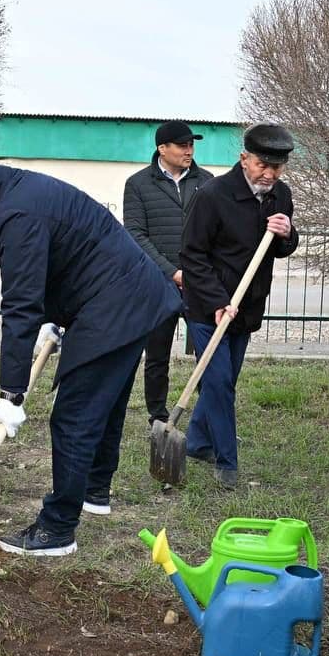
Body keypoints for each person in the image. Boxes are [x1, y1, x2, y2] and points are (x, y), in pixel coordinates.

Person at [0, 147, 181, 556]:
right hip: (132, 295)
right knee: (106, 401)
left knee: (74, 415)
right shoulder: (18, 194)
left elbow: (19, 305)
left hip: (115, 303)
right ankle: (95, 491)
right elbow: (59, 260)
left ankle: (57, 530)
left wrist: (11, 393)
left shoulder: (17, 214)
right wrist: (57, 313)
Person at [179, 124, 299, 488]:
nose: (270, 174)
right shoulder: (213, 195)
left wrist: (287, 233)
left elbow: (284, 249)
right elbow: (192, 255)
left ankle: (197, 443)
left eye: (277, 167)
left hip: (247, 307)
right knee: (219, 384)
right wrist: (216, 300)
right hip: (208, 307)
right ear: (244, 158)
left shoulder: (281, 195)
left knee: (224, 378)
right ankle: (227, 462)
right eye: (263, 165)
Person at [123, 120, 214, 428]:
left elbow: (216, 231)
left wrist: (199, 272)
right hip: (157, 283)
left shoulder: (208, 182)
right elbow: (135, 234)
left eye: (191, 144)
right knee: (157, 354)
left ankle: (206, 417)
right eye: (182, 145)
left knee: (208, 354)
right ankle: (158, 417)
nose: (189, 150)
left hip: (200, 283)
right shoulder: (138, 184)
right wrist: (171, 272)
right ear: (162, 148)